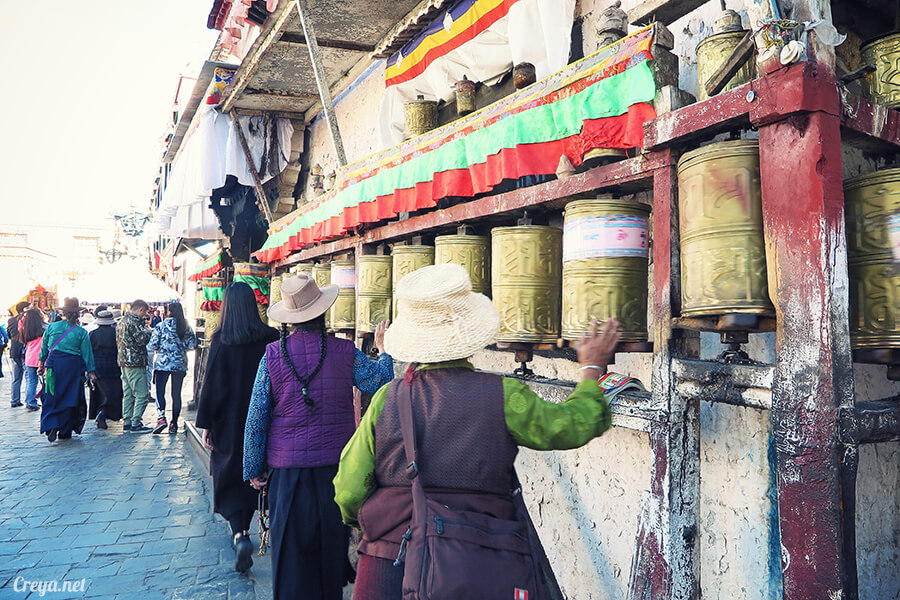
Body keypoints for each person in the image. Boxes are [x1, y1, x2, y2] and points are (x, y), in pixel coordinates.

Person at [332, 264, 621, 599]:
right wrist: (591, 368)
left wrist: (382, 525)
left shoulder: (388, 398)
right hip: (476, 566)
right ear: (470, 340)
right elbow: (571, 426)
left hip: (389, 564)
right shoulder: (504, 395)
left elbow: (349, 489)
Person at [243, 274, 394, 597]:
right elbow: (379, 381)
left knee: (291, 558)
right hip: (336, 471)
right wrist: (385, 350)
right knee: (329, 553)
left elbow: (257, 416)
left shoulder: (272, 355)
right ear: (322, 313)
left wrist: (255, 469)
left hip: (287, 474)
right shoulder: (345, 351)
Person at [195, 282, 279, 573]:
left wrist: (206, 423)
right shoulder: (271, 337)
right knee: (262, 470)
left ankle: (240, 533)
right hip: (265, 417)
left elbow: (212, 386)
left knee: (230, 472)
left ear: (227, 307)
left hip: (229, 421)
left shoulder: (222, 340)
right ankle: (267, 524)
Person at [37, 298, 97, 442]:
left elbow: (44, 348)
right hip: (72, 367)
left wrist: (40, 365)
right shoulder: (81, 332)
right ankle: (64, 430)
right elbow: (87, 354)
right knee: (70, 397)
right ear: (78, 314)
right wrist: (92, 372)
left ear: (63, 312)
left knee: (52, 395)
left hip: (53, 366)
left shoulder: (52, 327)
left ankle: (51, 424)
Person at [148, 301, 197, 434]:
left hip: (162, 363)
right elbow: (192, 345)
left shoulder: (161, 326)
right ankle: (174, 423)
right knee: (176, 394)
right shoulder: (185, 326)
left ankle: (161, 418)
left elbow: (152, 345)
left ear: (168, 312)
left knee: (160, 392)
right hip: (179, 364)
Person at [117, 299, 153, 433]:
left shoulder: (121, 321)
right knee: (142, 394)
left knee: (128, 394)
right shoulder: (133, 323)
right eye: (144, 313)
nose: (144, 316)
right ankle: (136, 422)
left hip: (123, 361)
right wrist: (148, 332)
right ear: (141, 310)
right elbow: (141, 340)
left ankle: (127, 421)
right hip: (135, 362)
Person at [89, 310, 123, 429]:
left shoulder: (93, 334)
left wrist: (90, 370)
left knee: (99, 391)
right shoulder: (116, 333)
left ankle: (100, 411)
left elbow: (89, 352)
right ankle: (105, 413)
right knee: (114, 391)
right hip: (114, 365)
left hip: (97, 366)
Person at [20, 308, 45, 412]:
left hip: (30, 357)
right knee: (45, 381)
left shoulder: (25, 328)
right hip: (42, 357)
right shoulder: (44, 327)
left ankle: (30, 402)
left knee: (31, 381)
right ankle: (46, 401)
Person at [7, 301, 31, 406]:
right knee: (29, 377)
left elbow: (9, 334)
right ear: (25, 309)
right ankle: (30, 401)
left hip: (14, 350)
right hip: (25, 350)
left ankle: (14, 400)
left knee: (16, 378)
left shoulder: (11, 320)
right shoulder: (28, 320)